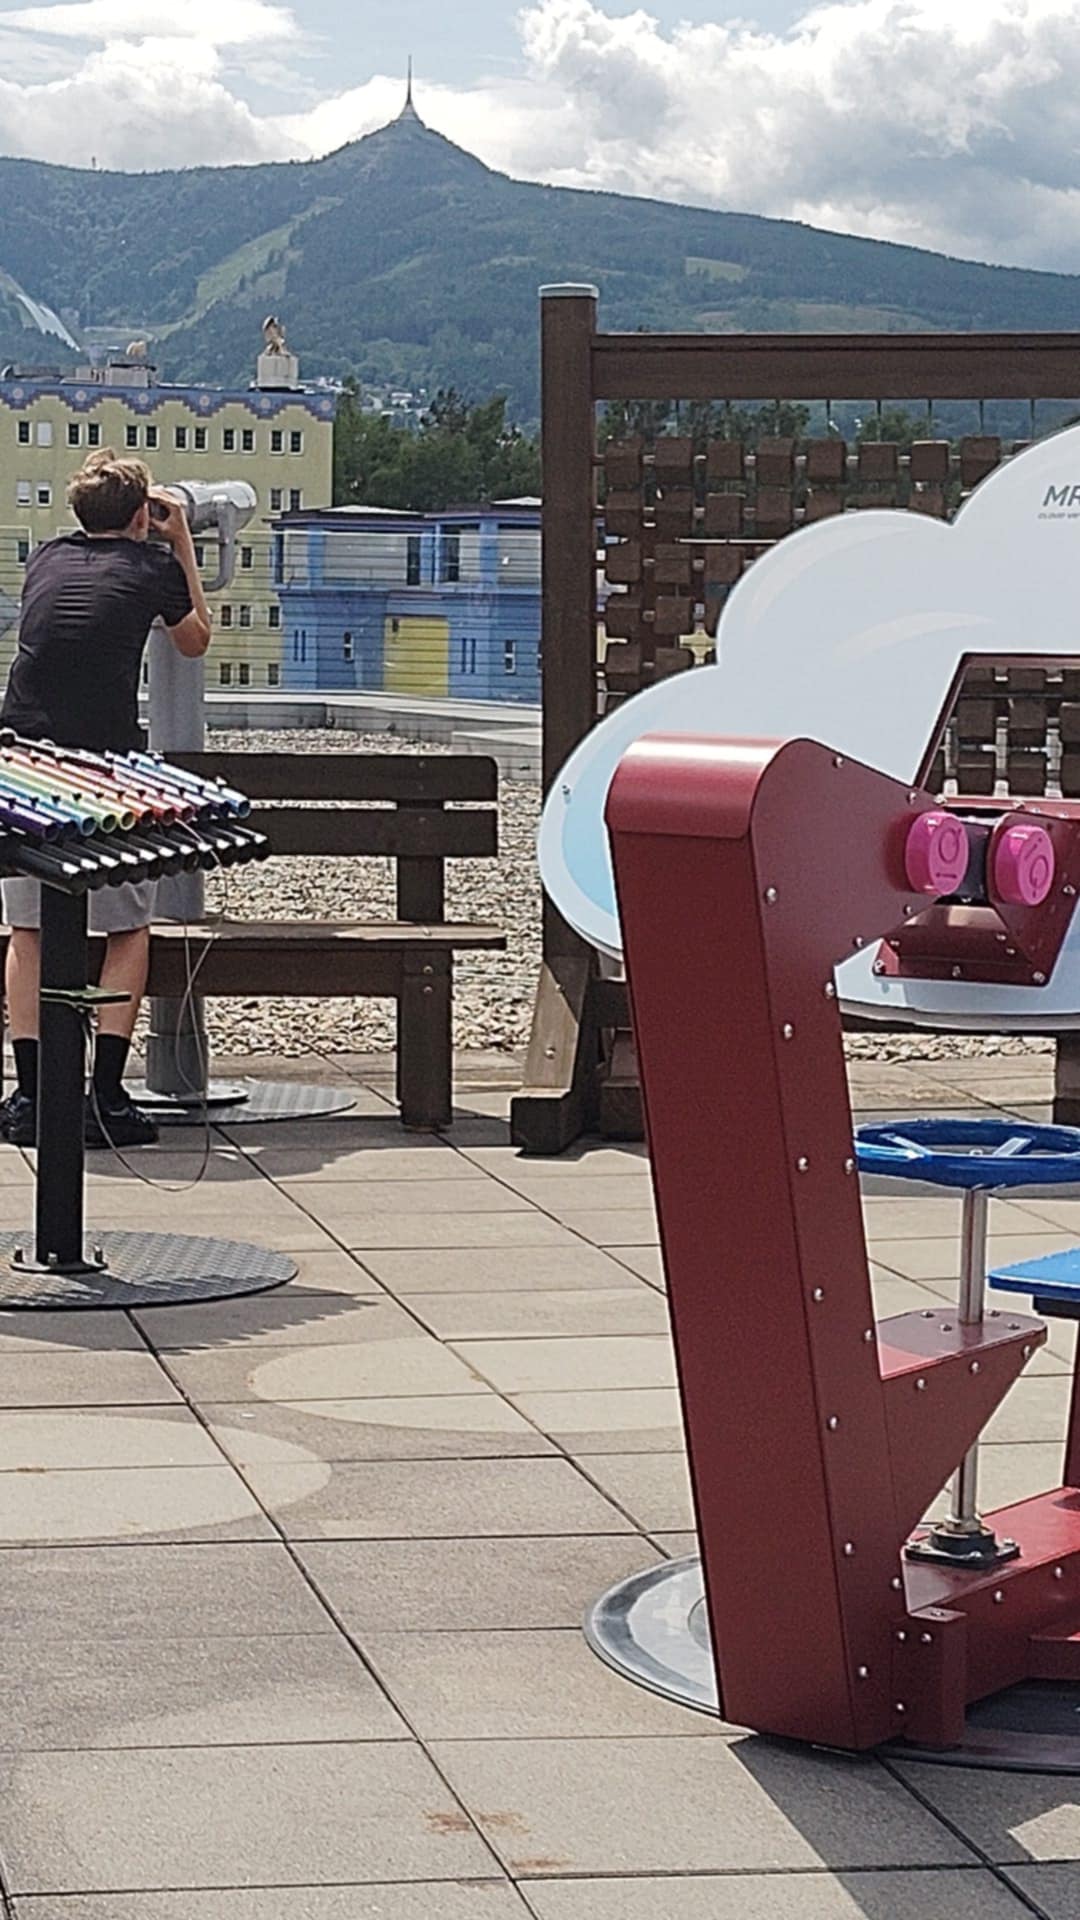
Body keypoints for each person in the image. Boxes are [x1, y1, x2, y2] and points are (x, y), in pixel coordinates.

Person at [0, 449, 212, 1147]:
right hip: (102, 769)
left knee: (27, 929)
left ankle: (30, 1096)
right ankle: (107, 1095)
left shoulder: (45, 559)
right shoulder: (152, 566)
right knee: (127, 927)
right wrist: (181, 545)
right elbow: (194, 640)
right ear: (140, 516)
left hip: (22, 759)